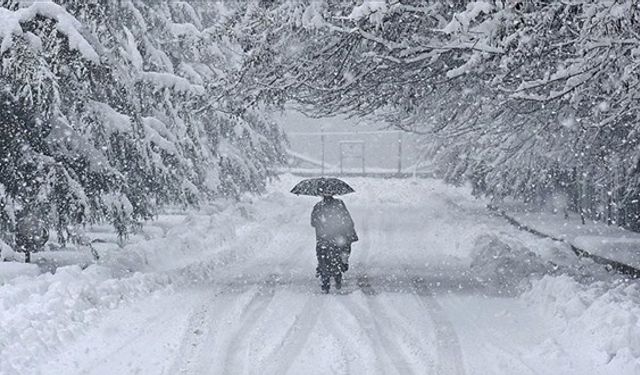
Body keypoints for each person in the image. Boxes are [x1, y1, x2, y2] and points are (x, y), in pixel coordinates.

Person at [311, 194, 358, 293]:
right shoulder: (339, 204)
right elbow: (347, 219)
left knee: (323, 259)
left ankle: (325, 282)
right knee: (337, 257)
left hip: (323, 238)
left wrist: (322, 224)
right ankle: (338, 277)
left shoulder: (318, 206)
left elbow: (313, 222)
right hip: (337, 237)